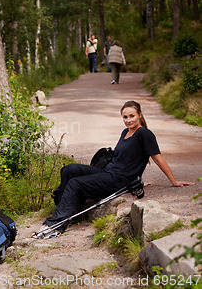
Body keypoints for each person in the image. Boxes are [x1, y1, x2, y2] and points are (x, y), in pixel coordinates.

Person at [33, 101, 194, 239]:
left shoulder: (144, 133)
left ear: (139, 115)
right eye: (125, 117)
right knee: (69, 169)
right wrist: (139, 180)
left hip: (118, 180)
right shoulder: (125, 132)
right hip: (108, 173)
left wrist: (174, 181)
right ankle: (66, 211)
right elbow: (131, 158)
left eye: (132, 116)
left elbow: (157, 159)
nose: (128, 120)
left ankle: (55, 226)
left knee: (75, 183)